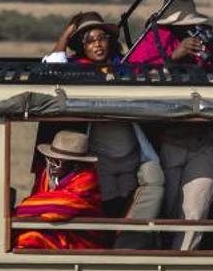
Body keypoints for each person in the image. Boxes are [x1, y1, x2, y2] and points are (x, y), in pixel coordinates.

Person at [42, 13, 162, 220]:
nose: (97, 45)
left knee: (132, 201)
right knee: (106, 205)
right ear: (82, 47)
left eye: (102, 38)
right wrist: (69, 31)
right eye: (90, 41)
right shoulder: (77, 70)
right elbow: (51, 64)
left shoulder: (124, 66)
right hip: (99, 159)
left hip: (131, 156)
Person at [12, 130, 106, 250]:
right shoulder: (47, 175)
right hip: (57, 230)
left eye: (56, 162)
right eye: (48, 159)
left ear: (75, 165)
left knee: (30, 238)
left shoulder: (87, 180)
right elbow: (40, 205)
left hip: (80, 238)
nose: (50, 165)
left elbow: (59, 208)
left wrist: (21, 211)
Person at [125, 0, 213, 72]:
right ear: (171, 24)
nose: (188, 27)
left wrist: (203, 55)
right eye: (184, 24)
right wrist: (173, 57)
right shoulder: (153, 40)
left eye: (191, 23)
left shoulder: (199, 35)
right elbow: (135, 69)